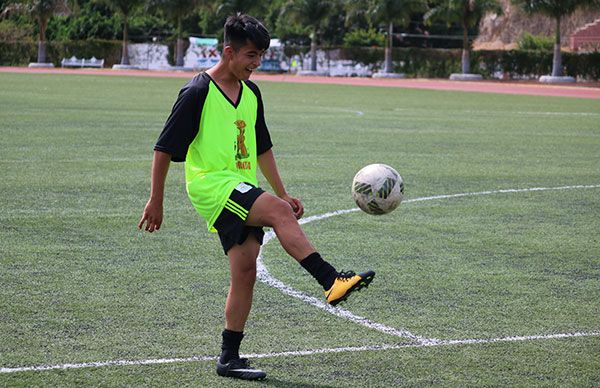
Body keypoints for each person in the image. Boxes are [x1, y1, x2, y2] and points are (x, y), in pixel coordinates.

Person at [138, 13, 375, 381]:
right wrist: (156, 201)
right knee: (280, 214)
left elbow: (262, 146)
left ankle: (228, 358)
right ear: (228, 51)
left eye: (261, 55)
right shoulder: (197, 91)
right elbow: (163, 148)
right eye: (251, 55)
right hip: (212, 185)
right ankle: (331, 280)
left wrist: (283, 192)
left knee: (245, 271)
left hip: (241, 185)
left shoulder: (251, 92)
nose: (257, 63)